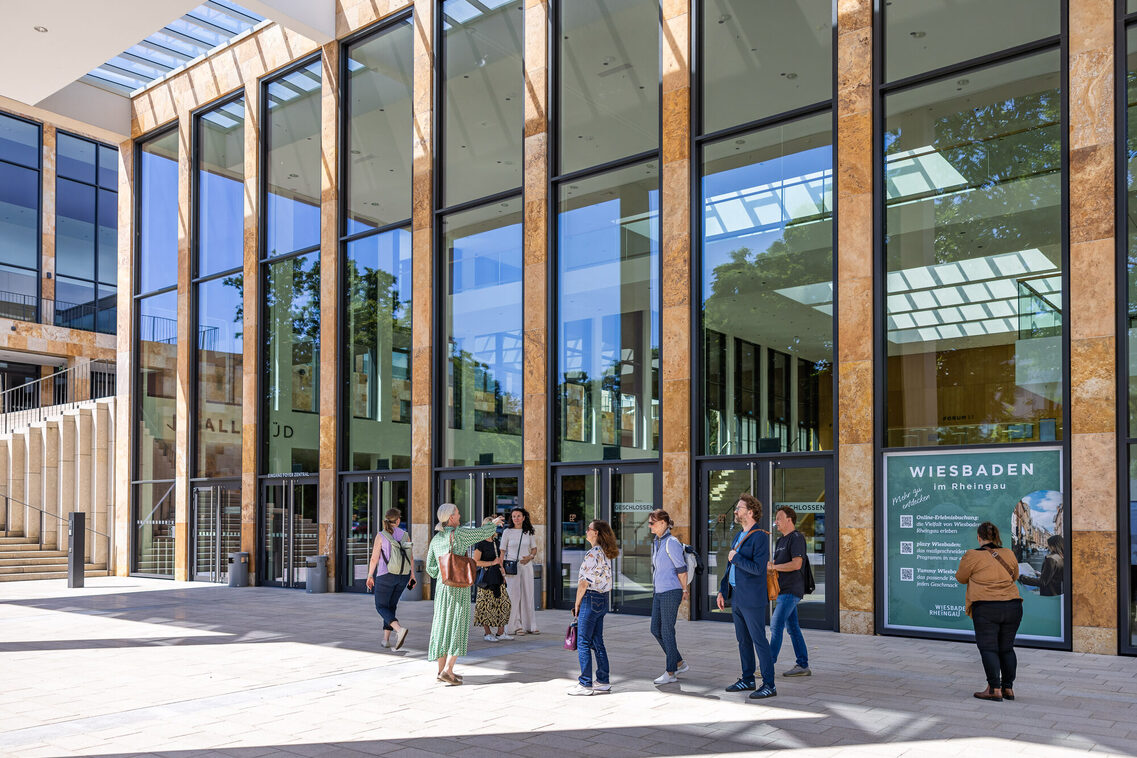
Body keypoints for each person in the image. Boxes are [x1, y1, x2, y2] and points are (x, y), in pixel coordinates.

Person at [425, 504, 504, 685]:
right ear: (451, 518)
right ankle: (448, 670)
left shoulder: (436, 539)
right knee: (457, 626)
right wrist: (494, 523)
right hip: (458, 586)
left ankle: (441, 671)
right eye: (458, 512)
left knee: (442, 626)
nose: (460, 515)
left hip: (442, 587)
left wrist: (443, 574)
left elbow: (430, 568)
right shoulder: (459, 534)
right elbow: (480, 533)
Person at [717, 493, 776, 699]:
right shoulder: (738, 535)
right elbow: (729, 566)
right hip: (738, 597)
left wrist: (737, 557)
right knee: (743, 641)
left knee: (759, 640)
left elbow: (758, 569)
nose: (736, 511)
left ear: (750, 512)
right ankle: (748, 679)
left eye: (739, 508)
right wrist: (723, 590)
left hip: (752, 598)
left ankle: (769, 684)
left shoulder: (759, 536)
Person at [955, 521, 1022, 702]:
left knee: (989, 648)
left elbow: (961, 578)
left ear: (979, 537)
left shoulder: (972, 555)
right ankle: (1008, 688)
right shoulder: (1008, 553)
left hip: (986, 607)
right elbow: (1014, 576)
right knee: (1007, 648)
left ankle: (994, 689)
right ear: (996, 536)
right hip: (1013, 605)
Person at [567, 519, 619, 696]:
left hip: (590, 598)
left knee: (583, 642)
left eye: (588, 529)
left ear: (595, 533)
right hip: (603, 599)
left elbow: (583, 583)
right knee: (598, 641)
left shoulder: (592, 554)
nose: (586, 531)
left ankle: (585, 684)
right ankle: (603, 680)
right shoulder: (605, 553)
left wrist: (577, 604)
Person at [365, 507, 416, 651]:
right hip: (403, 576)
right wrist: (412, 576)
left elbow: (374, 558)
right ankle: (386, 640)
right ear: (398, 520)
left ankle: (399, 630)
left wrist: (370, 575)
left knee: (381, 606)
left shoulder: (381, 535)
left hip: (385, 575)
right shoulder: (405, 535)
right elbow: (410, 557)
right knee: (391, 606)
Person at [768, 505, 810, 677]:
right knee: (793, 628)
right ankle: (803, 665)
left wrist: (774, 566)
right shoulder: (780, 541)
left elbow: (796, 564)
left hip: (792, 590)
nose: (775, 522)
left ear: (789, 519)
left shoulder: (797, 538)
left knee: (776, 625)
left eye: (779, 518)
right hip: (782, 590)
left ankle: (767, 665)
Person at [647, 509, 689, 684]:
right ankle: (679, 662)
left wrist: (684, 590)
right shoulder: (657, 542)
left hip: (671, 592)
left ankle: (670, 672)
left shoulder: (671, 542)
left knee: (667, 630)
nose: (650, 525)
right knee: (655, 629)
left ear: (663, 523)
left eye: (652, 522)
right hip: (659, 591)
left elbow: (682, 569)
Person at [473, 517, 513, 642]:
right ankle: (487, 633)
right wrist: (491, 563)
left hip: (497, 577)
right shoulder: (480, 543)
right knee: (486, 607)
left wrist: (503, 574)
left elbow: (499, 560)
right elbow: (475, 562)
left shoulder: (495, 542)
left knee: (505, 604)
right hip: (486, 580)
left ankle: (500, 633)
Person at [501, 507, 540, 635]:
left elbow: (534, 549)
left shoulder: (528, 532)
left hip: (527, 566)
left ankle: (530, 625)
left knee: (528, 594)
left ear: (523, 517)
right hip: (512, 566)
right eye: (513, 516)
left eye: (518, 516)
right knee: (513, 596)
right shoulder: (507, 532)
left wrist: (530, 557)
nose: (516, 518)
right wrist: (501, 568)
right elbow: (502, 551)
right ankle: (516, 626)